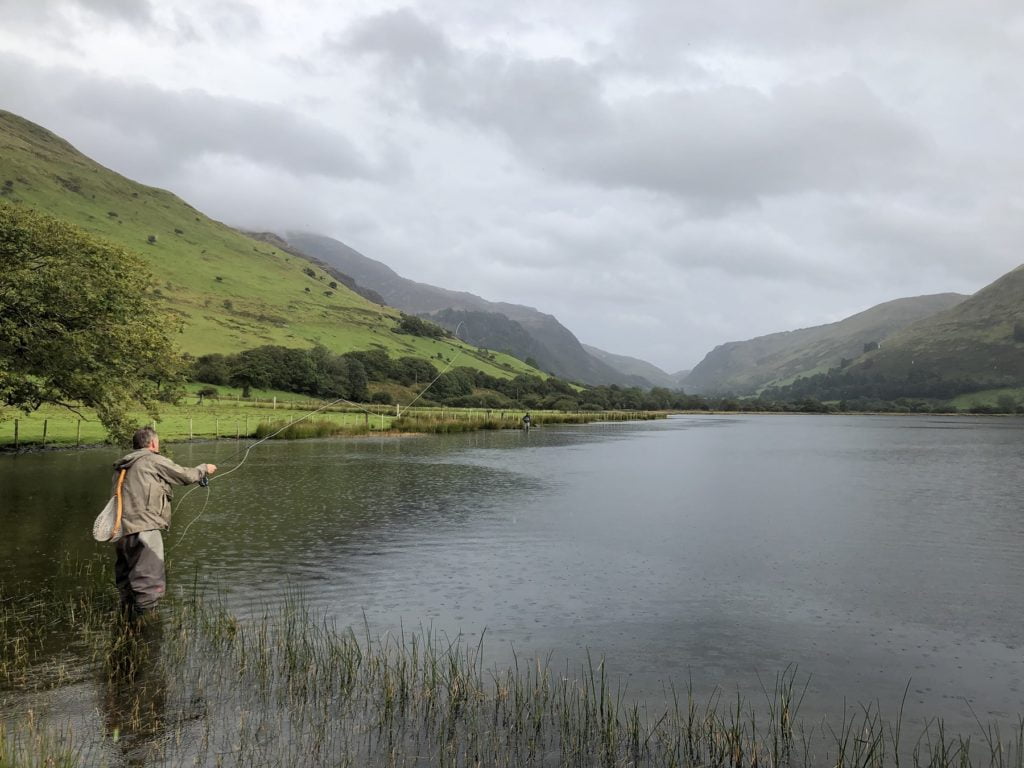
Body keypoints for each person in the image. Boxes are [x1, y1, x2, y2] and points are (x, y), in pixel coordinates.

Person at [110, 426, 217, 618]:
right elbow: (184, 475)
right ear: (152, 443)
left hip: (121, 532)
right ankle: (147, 630)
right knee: (148, 583)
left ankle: (126, 625)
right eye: (157, 442)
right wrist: (204, 469)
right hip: (145, 530)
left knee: (126, 584)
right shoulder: (152, 459)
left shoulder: (123, 466)